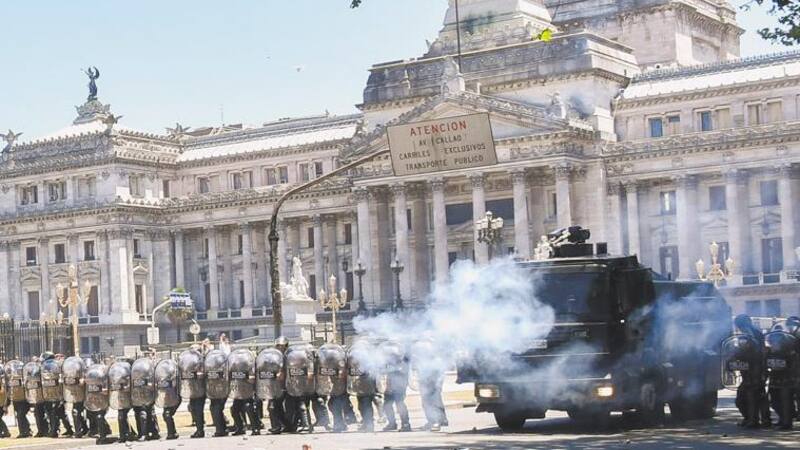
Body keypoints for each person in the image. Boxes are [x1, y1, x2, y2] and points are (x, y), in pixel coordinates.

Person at [734, 314, 770, 428]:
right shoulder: (754, 333)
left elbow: (748, 351)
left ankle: (753, 420)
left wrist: (735, 354)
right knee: (759, 395)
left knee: (747, 396)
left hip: (755, 370)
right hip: (755, 369)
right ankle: (762, 420)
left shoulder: (750, 334)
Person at [381, 341, 411, 432]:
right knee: (387, 404)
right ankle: (392, 423)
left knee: (400, 404)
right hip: (391, 387)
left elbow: (399, 375)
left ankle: (406, 424)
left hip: (399, 386)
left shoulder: (402, 363)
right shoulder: (391, 363)